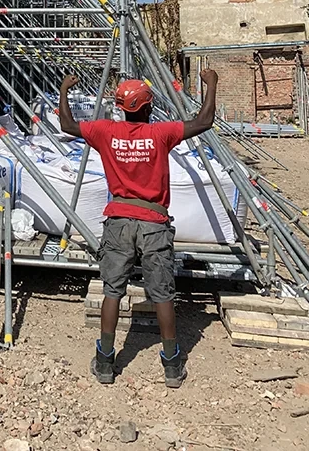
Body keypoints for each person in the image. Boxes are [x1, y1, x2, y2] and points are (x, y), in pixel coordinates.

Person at [59, 69, 219, 389]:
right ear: (147, 108)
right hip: (154, 222)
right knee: (162, 295)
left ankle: (105, 361)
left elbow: (67, 125)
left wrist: (64, 90)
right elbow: (203, 122)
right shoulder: (161, 134)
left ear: (121, 108)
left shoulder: (105, 132)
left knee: (112, 291)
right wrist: (211, 84)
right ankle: (172, 366)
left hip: (118, 222)